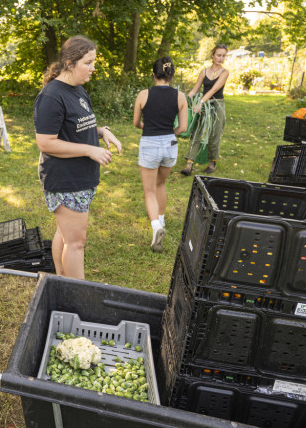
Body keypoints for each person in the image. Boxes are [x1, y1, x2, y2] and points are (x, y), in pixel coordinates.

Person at [34, 35, 123, 279]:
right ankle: (76, 296)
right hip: (65, 179)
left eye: (94, 62)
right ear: (70, 63)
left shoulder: (78, 90)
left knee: (64, 234)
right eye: (88, 62)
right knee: (76, 244)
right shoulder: (51, 96)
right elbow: (46, 142)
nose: (93, 68)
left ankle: (61, 282)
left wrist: (102, 131)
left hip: (80, 178)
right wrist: (89, 150)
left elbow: (75, 128)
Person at [133, 56, 188, 252]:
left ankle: (156, 226)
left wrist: (149, 128)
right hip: (170, 145)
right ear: (171, 75)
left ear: (153, 75)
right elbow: (183, 128)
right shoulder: (180, 97)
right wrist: (167, 134)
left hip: (149, 143)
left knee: (149, 191)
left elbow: (136, 123)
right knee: (160, 184)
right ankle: (161, 220)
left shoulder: (143, 94)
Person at [180, 43, 229, 175]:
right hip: (203, 105)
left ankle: (212, 163)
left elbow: (214, 89)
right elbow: (195, 90)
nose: (221, 58)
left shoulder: (224, 73)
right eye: (218, 55)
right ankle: (189, 164)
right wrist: (183, 100)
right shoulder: (204, 72)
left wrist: (201, 102)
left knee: (215, 133)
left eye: (223, 56)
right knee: (197, 132)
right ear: (212, 55)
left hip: (217, 104)